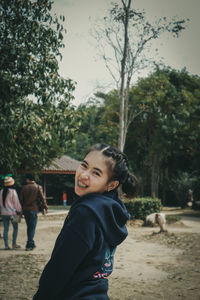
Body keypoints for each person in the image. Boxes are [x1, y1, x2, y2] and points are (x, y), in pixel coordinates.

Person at [33, 143, 138, 300]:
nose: (83, 175)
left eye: (96, 173)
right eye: (84, 165)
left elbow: (60, 269)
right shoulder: (111, 210)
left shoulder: (86, 213)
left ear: (111, 184)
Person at [20, 173, 48, 251]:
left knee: (29, 227)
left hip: (25, 210)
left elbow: (21, 200)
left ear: (28, 179)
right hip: (34, 209)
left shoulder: (24, 188)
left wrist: (21, 211)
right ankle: (29, 244)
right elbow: (43, 199)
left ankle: (31, 243)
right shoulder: (38, 187)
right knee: (32, 228)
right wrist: (46, 208)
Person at [0, 176, 22, 250]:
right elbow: (16, 203)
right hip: (13, 213)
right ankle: (14, 243)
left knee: (5, 229)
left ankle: (6, 245)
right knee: (15, 228)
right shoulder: (13, 192)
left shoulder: (1, 191)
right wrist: (19, 211)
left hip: (4, 213)